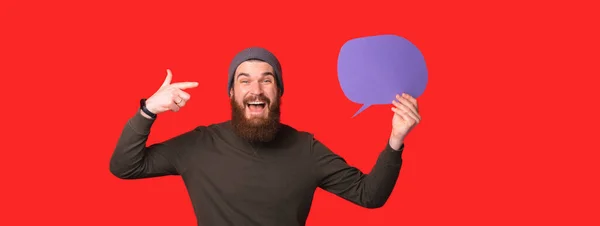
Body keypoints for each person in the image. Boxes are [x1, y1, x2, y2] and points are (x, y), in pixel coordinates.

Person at [109, 47, 421, 226]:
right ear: (232, 93)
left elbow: (369, 196)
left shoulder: (306, 148)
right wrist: (148, 110)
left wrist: (395, 141)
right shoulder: (198, 145)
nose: (256, 90)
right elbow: (125, 166)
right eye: (244, 81)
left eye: (266, 80)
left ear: (279, 91)